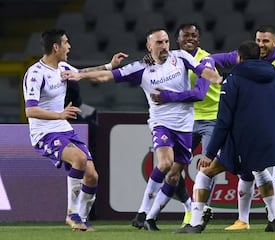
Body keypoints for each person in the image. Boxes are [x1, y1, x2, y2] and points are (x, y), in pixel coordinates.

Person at [61, 28, 222, 231]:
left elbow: (202, 71)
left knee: (174, 175)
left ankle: (149, 218)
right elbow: (106, 77)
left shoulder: (181, 57)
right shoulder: (140, 68)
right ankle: (142, 212)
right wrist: (80, 76)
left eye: (165, 42)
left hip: (185, 126)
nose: (164, 46)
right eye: (159, 43)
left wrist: (216, 78)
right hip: (160, 123)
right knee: (164, 163)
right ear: (149, 46)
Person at [174, 40, 275, 234]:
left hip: (243, 140)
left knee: (205, 172)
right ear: (259, 57)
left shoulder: (233, 80)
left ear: (239, 58)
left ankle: (195, 222)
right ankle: (273, 218)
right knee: (259, 170)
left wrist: (209, 153)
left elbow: (223, 121)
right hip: (269, 138)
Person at [22, 28, 123, 231]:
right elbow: (30, 110)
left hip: (63, 128)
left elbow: (83, 73)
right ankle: (72, 213)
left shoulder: (62, 67)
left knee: (92, 176)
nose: (69, 46)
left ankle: (81, 220)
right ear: (56, 47)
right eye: (66, 43)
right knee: (79, 159)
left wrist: (109, 65)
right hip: (44, 132)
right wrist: (59, 114)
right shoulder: (35, 73)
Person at [224, 25, 275, 230]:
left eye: (266, 41)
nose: (261, 45)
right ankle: (243, 220)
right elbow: (219, 59)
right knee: (248, 167)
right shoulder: (250, 57)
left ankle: (274, 212)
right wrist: (206, 64)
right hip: (258, 117)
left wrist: (268, 74)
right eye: (258, 40)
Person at [145, 23, 221, 227]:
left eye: (194, 36)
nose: (190, 39)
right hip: (183, 120)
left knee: (207, 166)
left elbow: (199, 93)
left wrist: (168, 97)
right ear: (177, 40)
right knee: (172, 171)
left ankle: (200, 212)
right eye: (185, 35)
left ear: (199, 39)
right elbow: (148, 69)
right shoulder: (169, 58)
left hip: (209, 119)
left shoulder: (205, 60)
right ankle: (177, 209)